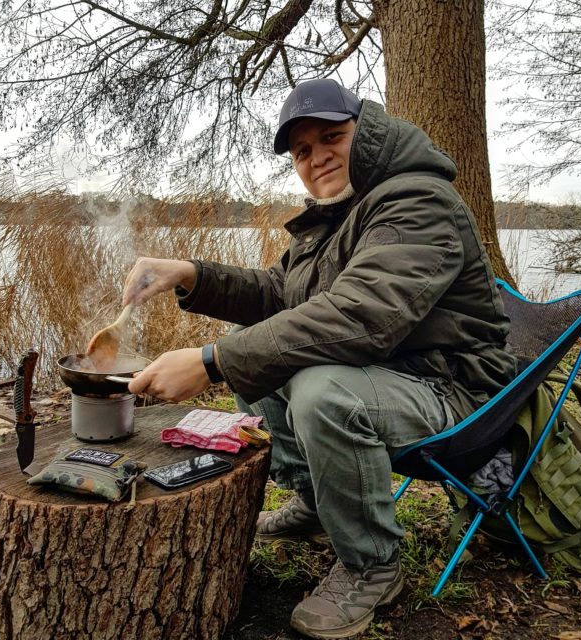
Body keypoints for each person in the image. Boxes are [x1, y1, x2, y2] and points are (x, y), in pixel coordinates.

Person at [123, 79, 517, 639]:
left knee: (319, 390)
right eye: (302, 151)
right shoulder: (338, 214)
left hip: (456, 392)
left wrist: (211, 362)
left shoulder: (417, 200)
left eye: (332, 136)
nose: (317, 158)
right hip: (394, 377)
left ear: (368, 132)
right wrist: (192, 274)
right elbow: (280, 295)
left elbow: (361, 315)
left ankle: (373, 564)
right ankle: (316, 504)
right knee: (266, 359)